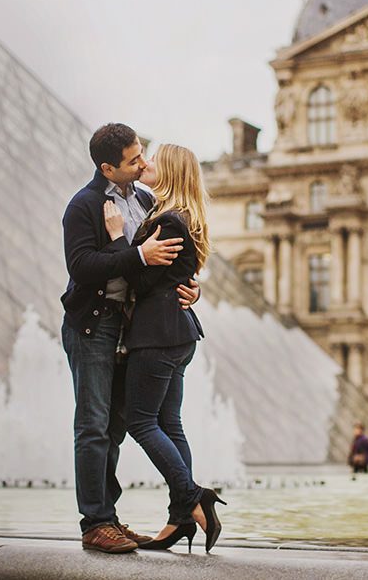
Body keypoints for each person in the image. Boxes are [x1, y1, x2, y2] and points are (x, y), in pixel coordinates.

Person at [60, 123, 200, 553]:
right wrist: (137, 252)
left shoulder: (144, 200)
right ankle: (95, 522)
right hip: (95, 326)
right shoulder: (83, 205)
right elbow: (81, 265)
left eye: (142, 154)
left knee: (116, 428)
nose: (142, 163)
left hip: (130, 327)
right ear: (108, 167)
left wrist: (192, 288)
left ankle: (112, 518)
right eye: (134, 159)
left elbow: (165, 264)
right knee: (93, 425)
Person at [117, 143, 226, 553]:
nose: (145, 163)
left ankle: (193, 497)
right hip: (177, 333)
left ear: (172, 172)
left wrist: (119, 244)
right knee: (170, 423)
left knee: (141, 422)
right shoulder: (182, 218)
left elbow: (140, 284)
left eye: (154, 159)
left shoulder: (168, 222)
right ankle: (180, 520)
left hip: (157, 334)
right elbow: (172, 278)